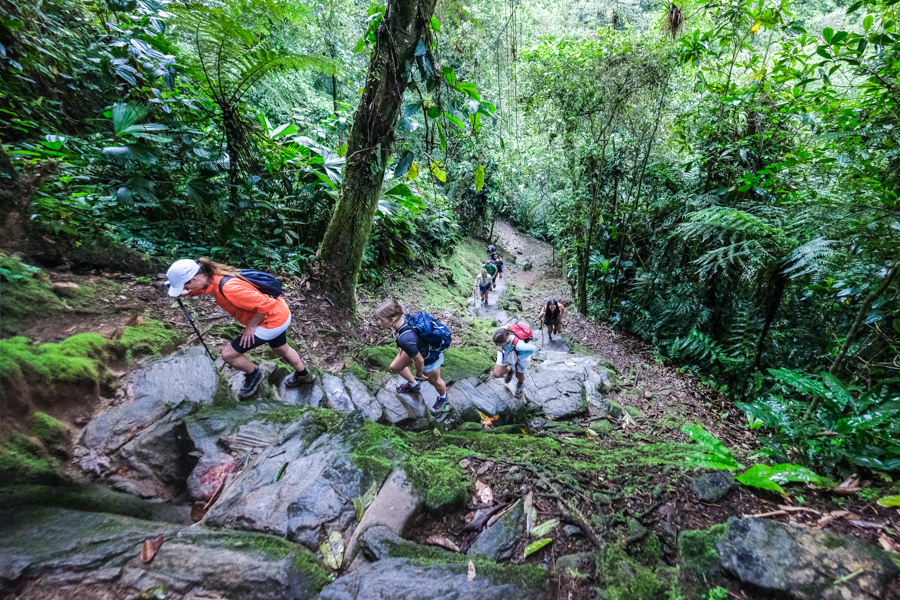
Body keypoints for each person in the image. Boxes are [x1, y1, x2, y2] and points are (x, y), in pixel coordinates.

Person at [166, 258, 315, 399]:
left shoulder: (229, 288)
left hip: (271, 320)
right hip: (280, 311)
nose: (185, 288)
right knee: (282, 349)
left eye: (186, 285)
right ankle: (304, 375)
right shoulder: (215, 274)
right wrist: (190, 292)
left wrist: (251, 326)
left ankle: (254, 374)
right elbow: (208, 286)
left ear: (195, 279)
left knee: (228, 354)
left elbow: (266, 305)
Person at [375, 298, 450, 414]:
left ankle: (443, 398)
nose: (378, 322)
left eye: (381, 320)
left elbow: (419, 360)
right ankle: (414, 385)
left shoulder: (405, 338)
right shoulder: (402, 317)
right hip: (415, 349)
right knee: (395, 367)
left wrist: (419, 374)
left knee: (435, 381)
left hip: (428, 358)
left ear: (392, 320)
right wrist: (403, 346)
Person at [493, 325, 537, 399]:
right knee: (498, 374)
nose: (496, 345)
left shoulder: (519, 346)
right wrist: (501, 346)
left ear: (506, 341)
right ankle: (510, 371)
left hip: (521, 356)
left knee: (519, 375)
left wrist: (519, 358)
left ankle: (520, 383)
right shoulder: (503, 330)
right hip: (507, 352)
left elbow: (534, 348)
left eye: (498, 344)